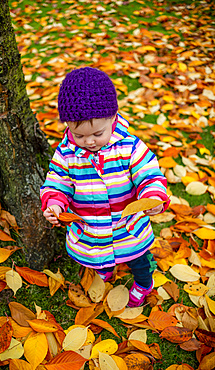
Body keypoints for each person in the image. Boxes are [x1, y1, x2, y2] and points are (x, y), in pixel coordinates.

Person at [40, 67, 170, 307]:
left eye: (98, 133)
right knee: (97, 254)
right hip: (91, 225)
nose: (89, 142)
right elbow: (57, 181)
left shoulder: (129, 147)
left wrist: (153, 198)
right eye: (79, 135)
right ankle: (105, 270)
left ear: (113, 117)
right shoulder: (67, 153)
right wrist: (55, 203)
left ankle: (143, 282)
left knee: (138, 258)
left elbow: (149, 174)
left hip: (127, 225)